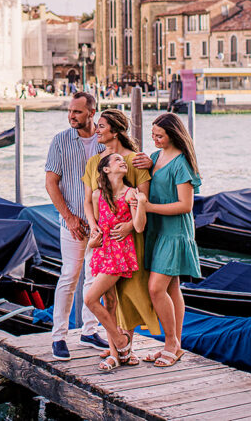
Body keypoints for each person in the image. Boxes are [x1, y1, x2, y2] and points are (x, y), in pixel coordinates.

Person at [82, 110, 159, 355]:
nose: (96, 130)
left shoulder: (135, 161)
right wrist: (93, 226)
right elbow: (88, 200)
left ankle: (126, 345)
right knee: (108, 296)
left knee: (131, 292)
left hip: (131, 236)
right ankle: (117, 346)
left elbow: (143, 197)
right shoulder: (95, 162)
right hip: (104, 239)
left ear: (115, 130)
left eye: (101, 126)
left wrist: (128, 226)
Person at [45, 92, 108, 361]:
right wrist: (70, 218)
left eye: (77, 112)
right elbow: (51, 183)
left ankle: (89, 330)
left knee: (94, 277)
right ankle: (59, 336)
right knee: (70, 275)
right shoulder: (60, 141)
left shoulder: (106, 140)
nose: (71, 116)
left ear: (92, 113)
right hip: (71, 221)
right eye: (70, 111)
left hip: (100, 223)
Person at [141, 112, 202, 368]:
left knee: (156, 288)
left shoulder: (181, 164)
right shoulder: (155, 157)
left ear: (173, 135)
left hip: (175, 232)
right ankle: (174, 345)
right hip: (157, 230)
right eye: (152, 135)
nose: (154, 139)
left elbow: (185, 205)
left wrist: (149, 208)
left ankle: (170, 343)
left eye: (159, 136)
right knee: (171, 288)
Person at [83, 153, 146, 370]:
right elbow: (98, 230)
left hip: (120, 255)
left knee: (90, 299)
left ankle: (121, 343)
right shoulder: (97, 195)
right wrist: (93, 239)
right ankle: (116, 354)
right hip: (103, 253)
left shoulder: (130, 194)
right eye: (117, 160)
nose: (122, 162)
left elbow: (138, 227)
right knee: (109, 304)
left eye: (123, 160)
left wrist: (140, 204)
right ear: (106, 170)